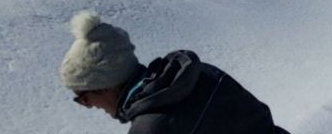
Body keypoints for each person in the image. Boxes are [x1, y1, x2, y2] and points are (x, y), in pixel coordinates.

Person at [60, 10, 289, 134]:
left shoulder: (151, 128)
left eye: (83, 96)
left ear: (106, 85)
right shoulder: (201, 75)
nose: (88, 105)